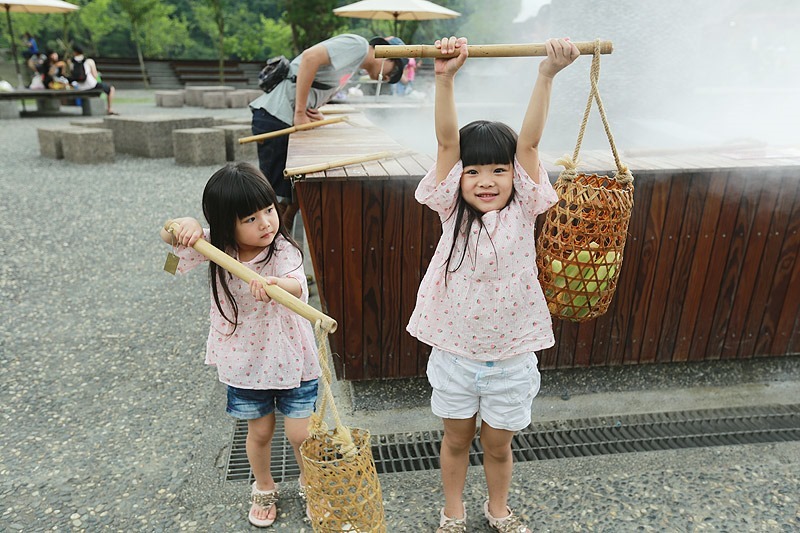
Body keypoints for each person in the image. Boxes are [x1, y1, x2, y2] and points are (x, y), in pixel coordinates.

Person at [406, 36, 579, 532]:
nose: (487, 180)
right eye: (474, 170)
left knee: (499, 445)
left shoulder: (524, 207)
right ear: (457, 179)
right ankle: (453, 511)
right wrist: (443, 77)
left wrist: (545, 74)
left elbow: (529, 143)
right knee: (457, 440)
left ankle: (498, 509)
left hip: (510, 359)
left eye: (499, 170)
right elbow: (445, 143)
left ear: (514, 177)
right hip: (456, 356)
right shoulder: (449, 210)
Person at [160, 162, 321, 528]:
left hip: (292, 356)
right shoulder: (215, 247)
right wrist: (178, 227)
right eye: (250, 218)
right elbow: (169, 257)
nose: (266, 222)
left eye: (268, 210)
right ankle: (263, 485)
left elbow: (298, 284)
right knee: (260, 431)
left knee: (301, 433)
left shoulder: (282, 249)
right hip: (246, 360)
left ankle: (310, 481)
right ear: (224, 223)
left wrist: (280, 286)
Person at [249, 34, 408, 229]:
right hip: (276, 118)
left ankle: (281, 240)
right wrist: (299, 112)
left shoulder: (355, 63)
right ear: (387, 55)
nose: (389, 77)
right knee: (273, 200)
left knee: (286, 194)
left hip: (280, 119)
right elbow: (309, 58)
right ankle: (264, 249)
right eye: (395, 70)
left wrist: (311, 109)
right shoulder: (358, 46)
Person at [69, 46, 117, 115]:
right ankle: (109, 109)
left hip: (79, 87)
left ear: (74, 52)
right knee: (111, 89)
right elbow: (95, 76)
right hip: (91, 85)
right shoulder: (89, 61)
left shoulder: (71, 62)